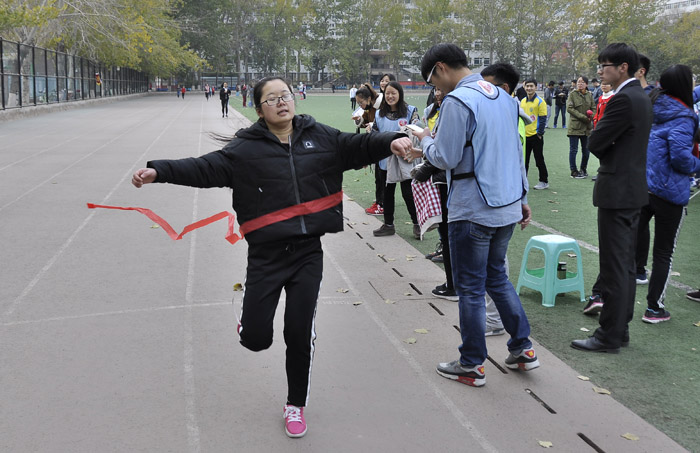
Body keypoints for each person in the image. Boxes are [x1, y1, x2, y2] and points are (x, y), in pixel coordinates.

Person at [131, 76, 413, 438]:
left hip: (308, 253)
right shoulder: (244, 150)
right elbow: (203, 168)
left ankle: (295, 404)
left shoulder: (321, 137)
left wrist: (393, 140)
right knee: (256, 339)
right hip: (265, 257)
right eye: (272, 98)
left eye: (286, 95)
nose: (282, 102)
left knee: (299, 333)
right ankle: (249, 322)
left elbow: (357, 146)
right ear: (259, 108)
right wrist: (159, 171)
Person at [413, 43, 538, 387]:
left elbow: (446, 157)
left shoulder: (458, 101)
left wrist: (425, 139)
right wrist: (522, 197)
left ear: (440, 68)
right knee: (496, 278)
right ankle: (523, 348)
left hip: (472, 208)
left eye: (431, 82)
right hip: (507, 204)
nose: (434, 89)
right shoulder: (503, 96)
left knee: (470, 288)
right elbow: (515, 150)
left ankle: (471, 363)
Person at [571, 43, 653, 353]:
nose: (601, 71)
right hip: (630, 189)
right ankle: (620, 329)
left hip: (618, 189)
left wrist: (604, 144)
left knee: (615, 266)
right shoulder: (641, 96)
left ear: (624, 68)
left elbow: (595, 141)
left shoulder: (624, 99)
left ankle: (609, 335)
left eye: (605, 65)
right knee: (626, 265)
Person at [634, 65, 700, 323]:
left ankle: (609, 297)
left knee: (631, 244)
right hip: (669, 194)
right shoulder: (683, 117)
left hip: (644, 186)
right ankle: (653, 308)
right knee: (663, 253)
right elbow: (682, 159)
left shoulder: (653, 101)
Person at [371, 81, 421, 239]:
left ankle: (417, 224)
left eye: (393, 93)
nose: (390, 96)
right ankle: (388, 224)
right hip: (385, 160)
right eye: (387, 94)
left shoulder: (410, 111)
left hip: (405, 159)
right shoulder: (379, 115)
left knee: (408, 193)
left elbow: (418, 132)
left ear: (400, 94)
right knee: (387, 194)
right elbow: (374, 136)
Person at [353, 83, 385, 216]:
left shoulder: (381, 106)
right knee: (379, 175)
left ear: (368, 98)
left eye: (361, 102)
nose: (360, 105)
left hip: (384, 145)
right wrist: (359, 120)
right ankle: (380, 202)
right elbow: (365, 121)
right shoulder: (370, 108)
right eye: (358, 103)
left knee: (383, 176)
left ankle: (381, 204)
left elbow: (384, 123)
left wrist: (372, 126)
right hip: (377, 145)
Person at [521, 78, 549, 189]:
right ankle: (523, 182)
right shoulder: (522, 101)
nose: (529, 88)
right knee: (524, 161)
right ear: (524, 87)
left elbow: (543, 118)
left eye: (531, 86)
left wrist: (540, 133)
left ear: (536, 87)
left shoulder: (540, 102)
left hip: (536, 136)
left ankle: (544, 181)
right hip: (524, 136)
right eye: (527, 86)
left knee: (539, 160)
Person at [566, 76, 595, 178]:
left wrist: (591, 116)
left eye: (582, 82)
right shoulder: (572, 94)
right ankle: (573, 171)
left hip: (586, 127)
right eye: (579, 82)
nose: (580, 84)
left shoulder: (589, 95)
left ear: (586, 84)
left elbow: (593, 108)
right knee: (573, 150)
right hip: (575, 126)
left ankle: (583, 169)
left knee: (586, 150)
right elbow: (569, 108)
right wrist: (583, 117)